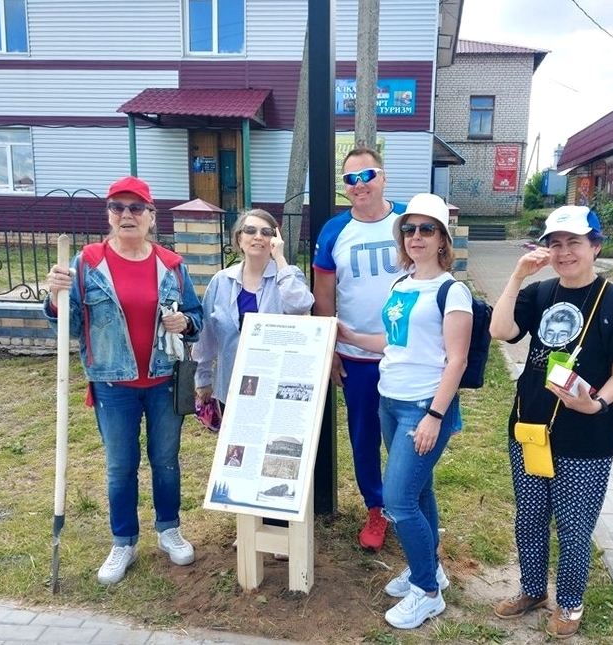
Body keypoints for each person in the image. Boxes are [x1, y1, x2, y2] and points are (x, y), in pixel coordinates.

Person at [489, 205, 613, 639]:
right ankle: (533, 590)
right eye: (555, 243)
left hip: (586, 433)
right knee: (530, 516)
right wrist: (517, 275)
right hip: (531, 428)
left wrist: (595, 403)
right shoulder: (540, 294)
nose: (563, 252)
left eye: (574, 242)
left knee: (574, 526)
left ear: (596, 246)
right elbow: (501, 331)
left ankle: (571, 604)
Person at [44, 176, 203, 585]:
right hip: (114, 385)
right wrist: (55, 298)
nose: (127, 215)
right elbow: (71, 324)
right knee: (120, 466)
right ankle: (124, 541)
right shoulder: (88, 263)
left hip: (164, 381)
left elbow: (196, 319)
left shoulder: (171, 265)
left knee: (165, 461)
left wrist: (185, 321)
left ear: (151, 216)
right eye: (118, 207)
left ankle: (168, 529)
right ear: (109, 215)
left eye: (136, 208)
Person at [337, 193, 472, 629]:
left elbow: (457, 360)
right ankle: (430, 569)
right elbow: (393, 343)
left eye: (426, 229)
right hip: (389, 402)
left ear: (442, 239)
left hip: (422, 407)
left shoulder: (453, 292)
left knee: (397, 502)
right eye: (409, 229)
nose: (416, 236)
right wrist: (351, 336)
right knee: (419, 492)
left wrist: (435, 415)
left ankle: (427, 591)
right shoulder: (402, 285)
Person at [312, 146, 407, 551]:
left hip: (408, 354)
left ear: (383, 176)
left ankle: (413, 508)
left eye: (366, 175)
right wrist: (329, 348)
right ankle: (376, 506)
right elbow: (324, 295)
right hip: (357, 357)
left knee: (409, 438)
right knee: (364, 434)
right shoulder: (334, 231)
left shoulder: (410, 220)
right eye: (350, 179)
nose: (359, 185)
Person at [193, 208, 314, 412]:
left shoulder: (288, 276)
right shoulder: (221, 281)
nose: (258, 237)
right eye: (250, 230)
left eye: (266, 232)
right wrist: (203, 377)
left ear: (275, 239)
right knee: (234, 444)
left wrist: (280, 259)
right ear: (239, 238)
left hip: (274, 385)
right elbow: (206, 335)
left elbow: (301, 305)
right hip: (230, 383)